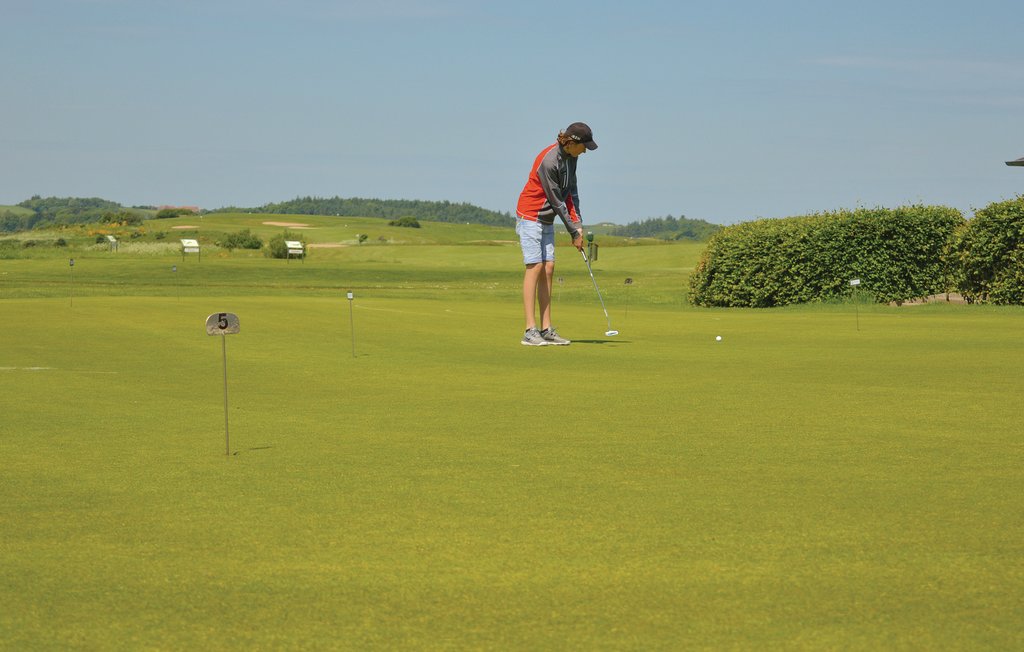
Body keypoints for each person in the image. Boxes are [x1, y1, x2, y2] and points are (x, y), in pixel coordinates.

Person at [514, 122, 598, 346]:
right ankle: (530, 330)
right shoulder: (549, 161)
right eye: (584, 146)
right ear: (572, 142)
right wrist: (573, 232)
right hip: (531, 215)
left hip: (547, 218)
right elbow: (556, 199)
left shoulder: (573, 158)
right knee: (536, 267)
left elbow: (571, 192)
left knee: (549, 268)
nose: (586, 151)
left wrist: (578, 224)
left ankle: (546, 328)